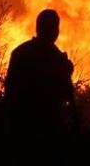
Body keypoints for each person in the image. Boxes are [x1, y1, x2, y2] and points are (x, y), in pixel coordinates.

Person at [5, 9, 76, 142]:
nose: (54, 31)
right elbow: (66, 94)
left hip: (22, 126)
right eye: (52, 27)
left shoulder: (20, 52)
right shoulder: (57, 59)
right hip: (44, 127)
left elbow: (9, 90)